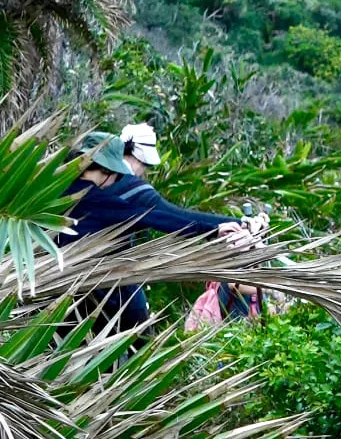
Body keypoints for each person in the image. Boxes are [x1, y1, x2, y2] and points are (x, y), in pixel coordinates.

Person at [63, 127, 238, 331]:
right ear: (106, 171)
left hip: (49, 291)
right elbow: (159, 217)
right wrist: (214, 229)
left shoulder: (56, 189)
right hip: (91, 294)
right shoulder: (100, 199)